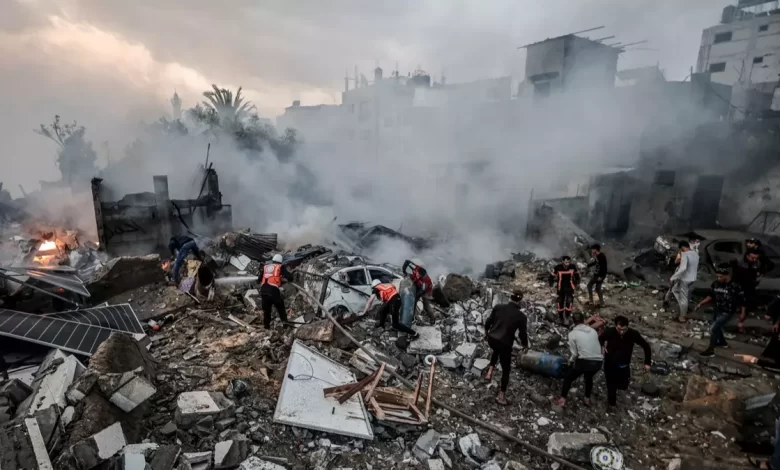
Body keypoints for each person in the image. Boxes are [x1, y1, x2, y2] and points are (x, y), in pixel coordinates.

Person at [483, 290, 529, 406]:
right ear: (520, 301)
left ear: (510, 297)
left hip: (492, 339)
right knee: (506, 369)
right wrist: (525, 345)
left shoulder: (498, 307)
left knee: (496, 349)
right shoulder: (521, 317)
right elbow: (522, 334)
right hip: (504, 344)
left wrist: (486, 332)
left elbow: (488, 321)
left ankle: (489, 372)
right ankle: (501, 396)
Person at [599, 316, 651, 409]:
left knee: (623, 385)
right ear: (616, 326)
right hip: (610, 363)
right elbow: (601, 338)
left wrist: (647, 362)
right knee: (611, 385)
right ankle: (612, 404)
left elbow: (646, 346)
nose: (621, 332)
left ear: (627, 327)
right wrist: (602, 346)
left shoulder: (633, 334)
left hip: (624, 364)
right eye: (619, 329)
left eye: (624, 329)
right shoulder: (610, 331)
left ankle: (618, 389)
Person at [553, 312, 603, 408]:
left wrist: (570, 362)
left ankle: (562, 400)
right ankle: (587, 398)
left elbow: (575, 354)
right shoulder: (593, 331)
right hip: (598, 362)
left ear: (573, 321)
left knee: (568, 377)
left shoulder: (572, 334)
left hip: (585, 361)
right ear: (583, 320)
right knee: (589, 377)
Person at [695, 266, 746, 357]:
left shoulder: (735, 286)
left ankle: (710, 350)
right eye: (717, 276)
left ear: (727, 275)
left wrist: (743, 313)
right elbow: (710, 296)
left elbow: (743, 301)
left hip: (728, 311)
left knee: (714, 329)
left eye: (721, 276)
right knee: (717, 328)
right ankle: (722, 343)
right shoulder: (716, 284)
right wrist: (701, 303)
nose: (719, 278)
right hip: (717, 309)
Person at [664, 240, 699, 322]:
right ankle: (682, 307)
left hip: (685, 278)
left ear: (682, 247)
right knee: (674, 289)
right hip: (692, 278)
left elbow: (682, 268)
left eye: (680, 249)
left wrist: (673, 277)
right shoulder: (695, 254)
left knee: (683, 298)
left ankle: (682, 316)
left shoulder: (685, 254)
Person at [259, 254, 293, 329]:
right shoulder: (280, 267)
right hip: (273, 291)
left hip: (263, 291)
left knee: (267, 311)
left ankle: (266, 327)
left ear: (273, 260)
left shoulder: (266, 267)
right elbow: (290, 277)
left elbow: (259, 279)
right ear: (280, 262)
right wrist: (285, 279)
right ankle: (285, 324)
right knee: (280, 307)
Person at [402, 259, 436, 323]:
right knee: (413, 302)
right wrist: (404, 271)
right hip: (419, 286)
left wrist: (415, 295)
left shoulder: (426, 281)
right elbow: (407, 262)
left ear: (422, 276)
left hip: (426, 292)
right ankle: (412, 316)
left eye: (419, 275)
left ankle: (432, 319)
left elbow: (422, 290)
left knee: (426, 305)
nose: (418, 275)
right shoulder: (417, 268)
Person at [550, 256, 580, 325]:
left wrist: (577, 283)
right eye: (566, 262)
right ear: (562, 261)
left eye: (569, 262)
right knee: (560, 303)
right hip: (561, 288)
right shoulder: (558, 267)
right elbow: (551, 276)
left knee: (569, 303)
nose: (567, 264)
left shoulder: (572, 267)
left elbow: (577, 275)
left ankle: (567, 317)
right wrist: (551, 286)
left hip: (570, 288)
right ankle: (561, 317)